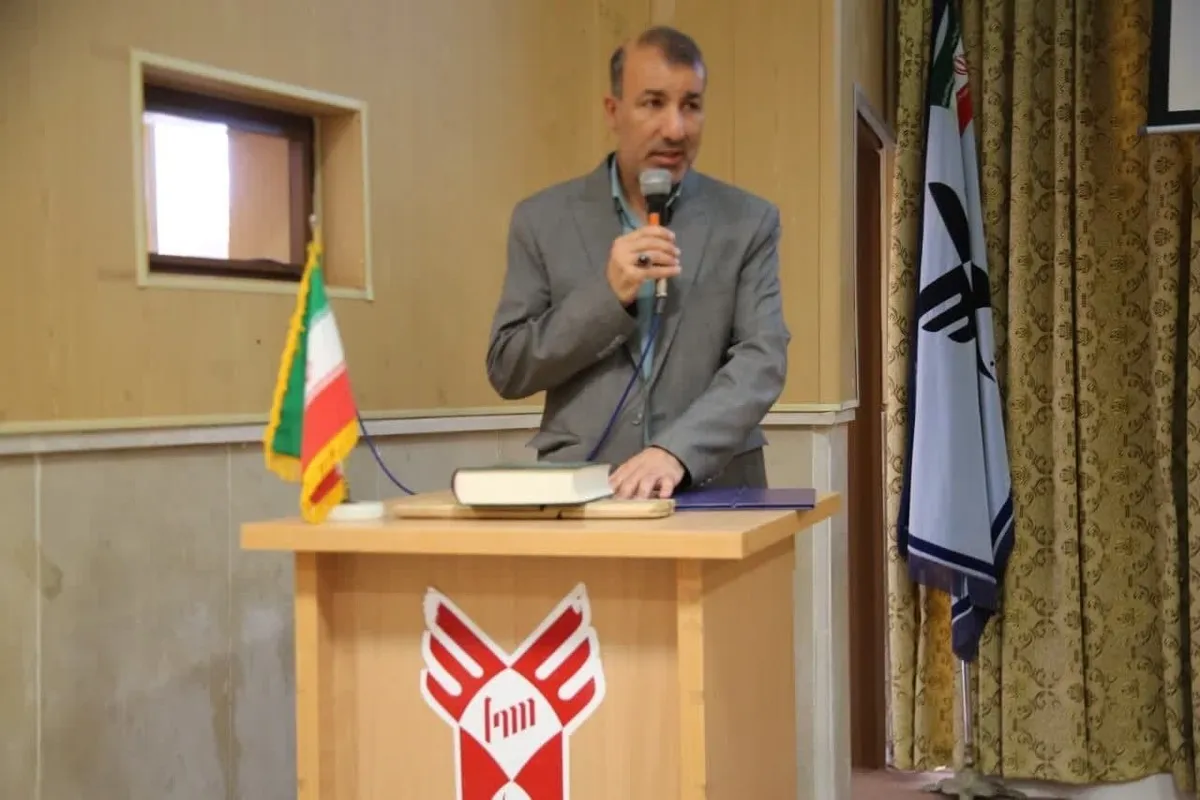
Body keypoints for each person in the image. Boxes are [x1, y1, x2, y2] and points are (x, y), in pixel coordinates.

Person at [485, 25, 790, 500]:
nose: (676, 129)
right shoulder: (541, 220)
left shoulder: (749, 221)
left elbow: (762, 359)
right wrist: (606, 297)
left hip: (718, 491)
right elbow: (508, 367)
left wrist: (676, 451)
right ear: (614, 111)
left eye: (691, 105)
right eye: (653, 103)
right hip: (586, 495)